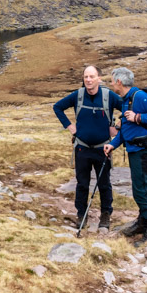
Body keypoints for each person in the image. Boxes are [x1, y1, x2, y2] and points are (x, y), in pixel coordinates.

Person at [103, 67, 147, 245]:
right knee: (142, 187)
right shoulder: (126, 100)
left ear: (119, 82)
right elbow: (125, 130)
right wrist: (113, 145)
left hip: (143, 151)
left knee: (140, 190)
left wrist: (138, 117)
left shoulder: (139, 97)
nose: (110, 84)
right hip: (135, 150)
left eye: (111, 81)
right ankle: (142, 221)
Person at [53, 65, 119, 230]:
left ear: (99, 79)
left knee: (104, 184)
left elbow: (128, 108)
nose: (88, 80)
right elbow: (57, 107)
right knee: (82, 183)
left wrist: (118, 126)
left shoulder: (108, 96)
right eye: (86, 77)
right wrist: (69, 126)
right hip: (82, 148)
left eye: (92, 76)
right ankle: (81, 215)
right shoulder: (78, 95)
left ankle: (105, 216)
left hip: (103, 148)